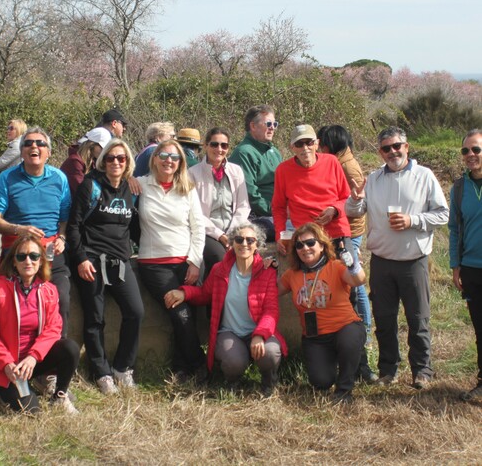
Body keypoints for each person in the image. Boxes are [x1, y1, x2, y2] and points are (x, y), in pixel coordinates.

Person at [346, 126, 449, 389]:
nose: (392, 152)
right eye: (386, 148)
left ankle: (422, 370)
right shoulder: (374, 179)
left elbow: (442, 214)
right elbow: (355, 211)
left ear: (407, 147)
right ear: (380, 152)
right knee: (384, 319)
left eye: (397, 146)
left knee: (418, 319)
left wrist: (412, 220)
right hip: (381, 261)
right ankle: (387, 369)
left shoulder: (424, 176)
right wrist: (355, 199)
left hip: (413, 261)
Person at [164, 222, 287, 395]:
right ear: (232, 243)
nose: (244, 244)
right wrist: (185, 294)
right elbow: (205, 294)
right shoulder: (220, 269)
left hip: (258, 331)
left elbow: (271, 310)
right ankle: (232, 382)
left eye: (250, 240)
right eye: (239, 239)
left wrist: (260, 334)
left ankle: (268, 379)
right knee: (234, 361)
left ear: (257, 246)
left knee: (270, 352)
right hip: (230, 332)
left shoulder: (267, 272)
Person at [67, 139, 144, 395]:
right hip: (92, 261)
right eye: (110, 158)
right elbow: (75, 225)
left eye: (121, 158)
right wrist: (81, 259)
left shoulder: (129, 188)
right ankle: (101, 372)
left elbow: (134, 228)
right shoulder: (92, 185)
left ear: (128, 162)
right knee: (95, 319)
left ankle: (123, 367)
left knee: (135, 311)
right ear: (102, 161)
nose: (115, 162)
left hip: (120, 262)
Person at [0, 235, 80, 414]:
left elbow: (54, 328)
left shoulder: (48, 290)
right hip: (7, 365)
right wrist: (6, 363)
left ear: (41, 261)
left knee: (70, 348)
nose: (28, 261)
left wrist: (33, 357)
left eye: (34, 256)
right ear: (14, 262)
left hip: (31, 362)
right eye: (22, 256)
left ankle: (59, 397)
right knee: (33, 412)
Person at [0, 127, 72, 337]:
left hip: (51, 251)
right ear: (21, 151)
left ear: (48, 152)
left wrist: (62, 236)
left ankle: (55, 356)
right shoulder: (7, 178)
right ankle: (18, 357)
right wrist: (18, 229)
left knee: (61, 297)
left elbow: (64, 218)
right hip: (17, 251)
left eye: (40, 143)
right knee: (16, 302)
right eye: (28, 143)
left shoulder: (59, 178)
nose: (34, 146)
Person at [136, 139, 206, 383]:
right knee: (181, 313)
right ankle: (201, 364)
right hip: (154, 263)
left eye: (174, 157)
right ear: (154, 158)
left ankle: (181, 370)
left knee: (188, 317)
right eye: (164, 155)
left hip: (187, 262)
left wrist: (195, 261)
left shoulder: (188, 188)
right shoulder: (140, 184)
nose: (169, 161)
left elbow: (198, 227)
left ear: (180, 162)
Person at [278, 223, 366, 402]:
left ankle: (344, 389)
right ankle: (331, 365)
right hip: (315, 336)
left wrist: (352, 265)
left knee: (348, 341)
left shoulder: (336, 266)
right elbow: (270, 291)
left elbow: (358, 280)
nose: (305, 248)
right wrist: (262, 269)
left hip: (345, 327)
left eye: (310, 243)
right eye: (299, 245)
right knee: (321, 381)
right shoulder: (292, 275)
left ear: (322, 245)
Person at [317, 125, 373, 342]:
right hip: (343, 228)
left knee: (354, 279)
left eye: (321, 144)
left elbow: (357, 204)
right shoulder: (341, 161)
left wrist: (336, 214)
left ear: (329, 144)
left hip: (351, 231)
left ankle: (365, 331)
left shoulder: (347, 167)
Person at [272, 124, 353, 256]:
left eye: (309, 142)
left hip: (337, 233)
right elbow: (278, 207)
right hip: (306, 240)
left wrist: (334, 209)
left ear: (317, 144)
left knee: (348, 274)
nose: (305, 148)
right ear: (292, 147)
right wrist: (279, 235)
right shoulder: (283, 170)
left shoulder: (332, 162)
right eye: (299, 144)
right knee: (310, 277)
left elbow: (346, 198)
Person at [188, 127, 250, 278]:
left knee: (251, 253)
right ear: (206, 146)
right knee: (221, 257)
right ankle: (216, 300)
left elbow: (243, 205)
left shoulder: (236, 171)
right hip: (207, 231)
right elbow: (194, 211)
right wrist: (219, 235)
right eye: (214, 144)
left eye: (224, 145)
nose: (219, 149)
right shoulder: (192, 173)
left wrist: (231, 233)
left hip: (233, 229)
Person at [448, 128, 482, 401]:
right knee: (480, 327)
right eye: (466, 150)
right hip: (472, 268)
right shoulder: (459, 188)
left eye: (476, 149)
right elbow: (454, 230)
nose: (471, 155)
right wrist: (455, 265)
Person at [228, 105, 282, 242]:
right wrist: (276, 210)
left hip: (279, 212)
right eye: (268, 123)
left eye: (274, 124)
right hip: (258, 215)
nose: (272, 128)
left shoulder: (275, 152)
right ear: (253, 126)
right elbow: (250, 194)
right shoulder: (244, 153)